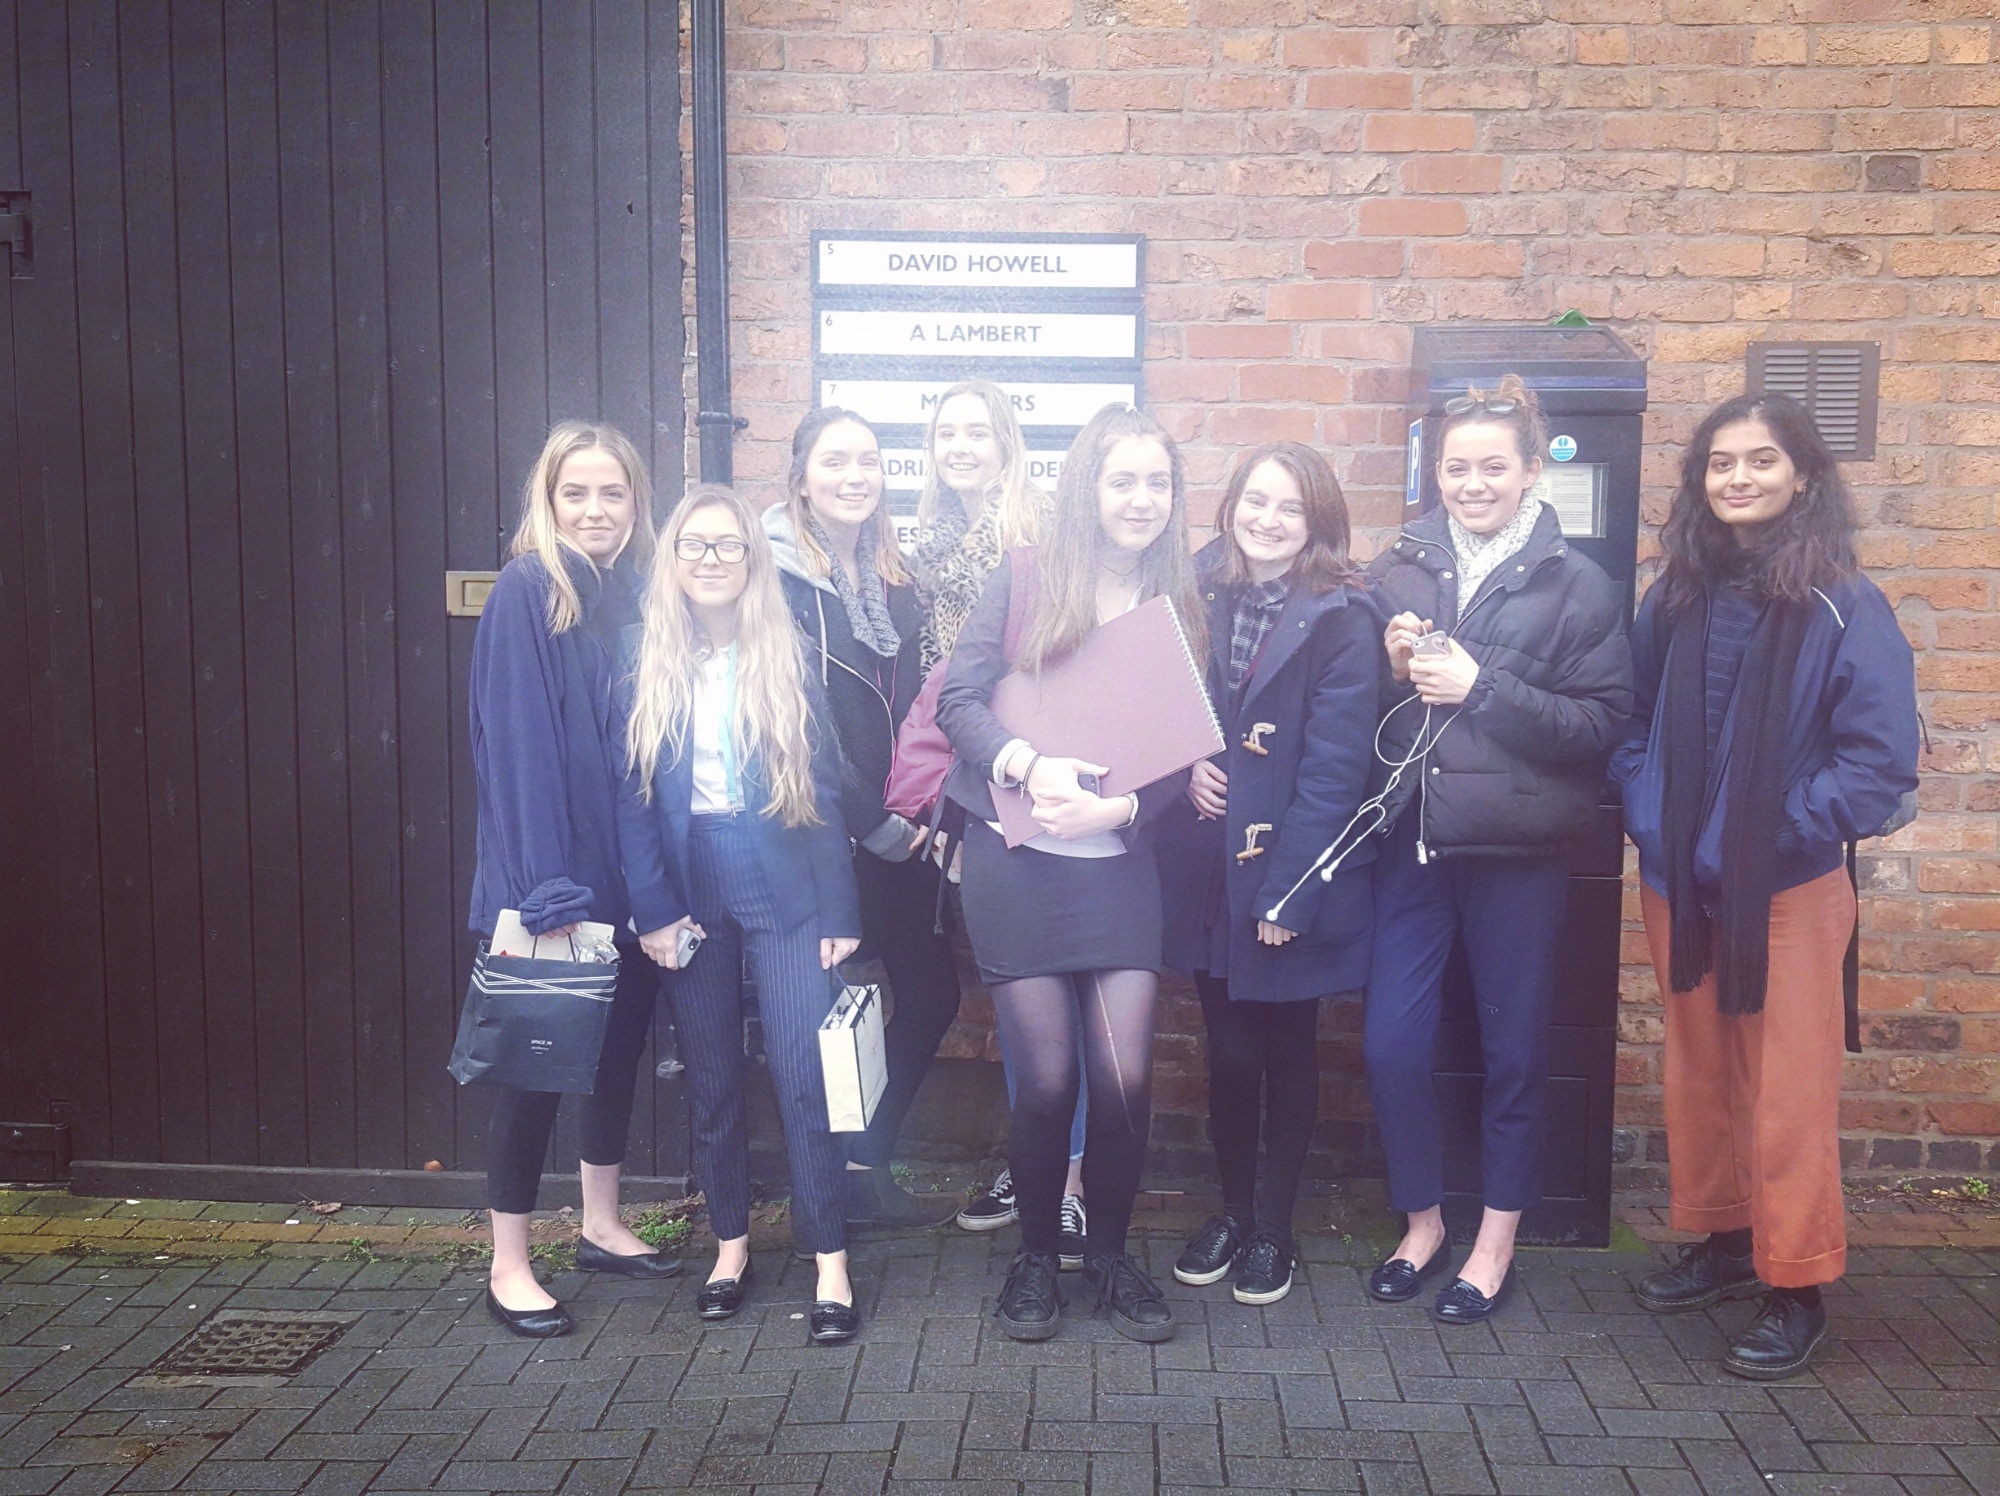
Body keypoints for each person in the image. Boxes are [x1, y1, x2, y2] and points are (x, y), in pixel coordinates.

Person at [1610, 392, 1918, 1380]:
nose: (1738, 477)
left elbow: (1878, 764)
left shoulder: (1844, 604)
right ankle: (1721, 1237)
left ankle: (1796, 1285)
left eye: (1760, 459)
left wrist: (1771, 836)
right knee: (1700, 1071)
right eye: (1721, 462)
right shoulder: (1673, 596)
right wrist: (1645, 804)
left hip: (1785, 888)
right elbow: (1631, 716)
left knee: (1786, 1091)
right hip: (1679, 881)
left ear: (1802, 474)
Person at [1362, 375, 1633, 1324]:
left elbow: (1598, 725)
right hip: (1417, 844)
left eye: (1491, 467)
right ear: (1433, 472)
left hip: (1519, 855)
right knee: (1393, 1045)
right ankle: (1423, 1223)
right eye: (1456, 467)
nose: (1472, 484)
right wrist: (1390, 668)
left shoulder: (1578, 584)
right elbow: (1360, 710)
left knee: (1513, 1051)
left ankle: (1495, 1241)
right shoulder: (1397, 567)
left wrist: (1480, 686)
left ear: (1529, 471)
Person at [936, 402, 1206, 1344]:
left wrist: (1118, 811)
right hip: (1017, 861)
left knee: (1125, 1081)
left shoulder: (1177, 600)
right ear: (1088, 485)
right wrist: (1026, 764)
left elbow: (1180, 750)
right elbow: (959, 699)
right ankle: (1037, 1259)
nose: (1140, 499)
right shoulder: (1027, 576)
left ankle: (1111, 1258)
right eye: (1122, 480)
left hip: (1117, 868)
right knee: (1048, 1083)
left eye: (1157, 483)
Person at [615, 486, 866, 1346]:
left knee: (804, 1073)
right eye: (695, 545)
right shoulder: (641, 655)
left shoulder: (784, 652)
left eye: (729, 544)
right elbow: (631, 799)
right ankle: (730, 1246)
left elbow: (822, 787)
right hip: (689, 888)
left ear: (753, 560)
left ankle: (829, 1258)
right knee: (714, 1077)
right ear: (672, 560)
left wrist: (840, 909)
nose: (712, 559)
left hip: (783, 881)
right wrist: (653, 910)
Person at [467, 421, 678, 1340]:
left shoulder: (633, 595)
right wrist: (545, 889)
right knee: (536, 1068)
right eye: (576, 493)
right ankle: (509, 1263)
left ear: (636, 503)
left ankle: (599, 1224)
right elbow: (516, 749)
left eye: (612, 493)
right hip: (550, 883)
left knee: (613, 1055)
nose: (596, 510)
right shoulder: (529, 590)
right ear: (547, 502)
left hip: (625, 880)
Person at [1159, 442, 1380, 1306]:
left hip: (1289, 870)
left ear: (1317, 520)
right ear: (1231, 505)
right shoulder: (1195, 590)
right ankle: (1233, 1210)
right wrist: (1185, 763)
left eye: (1290, 507)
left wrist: (1291, 890)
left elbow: (1336, 769)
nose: (1269, 520)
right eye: (1256, 500)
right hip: (1211, 867)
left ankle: (1274, 1230)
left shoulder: (1343, 616)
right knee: (1228, 1049)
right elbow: (1165, 704)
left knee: (1287, 1047)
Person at [765, 407, 962, 1229]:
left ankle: (861, 1164)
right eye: (836, 461)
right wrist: (868, 819)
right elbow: (795, 724)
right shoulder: (776, 581)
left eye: (869, 461)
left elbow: (925, 706)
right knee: (818, 1014)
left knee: (930, 994)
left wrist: (916, 810)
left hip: (900, 829)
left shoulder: (895, 580)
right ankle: (823, 1192)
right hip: (819, 832)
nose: (855, 477)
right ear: (801, 477)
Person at [905, 380, 1083, 1258]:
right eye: (948, 433)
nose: (962, 446)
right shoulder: (929, 545)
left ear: (1009, 442)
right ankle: (1034, 1160)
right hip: (970, 780)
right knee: (1017, 991)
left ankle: (1070, 1180)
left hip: (1036, 772)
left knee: (1060, 992)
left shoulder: (1035, 536)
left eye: (979, 431)